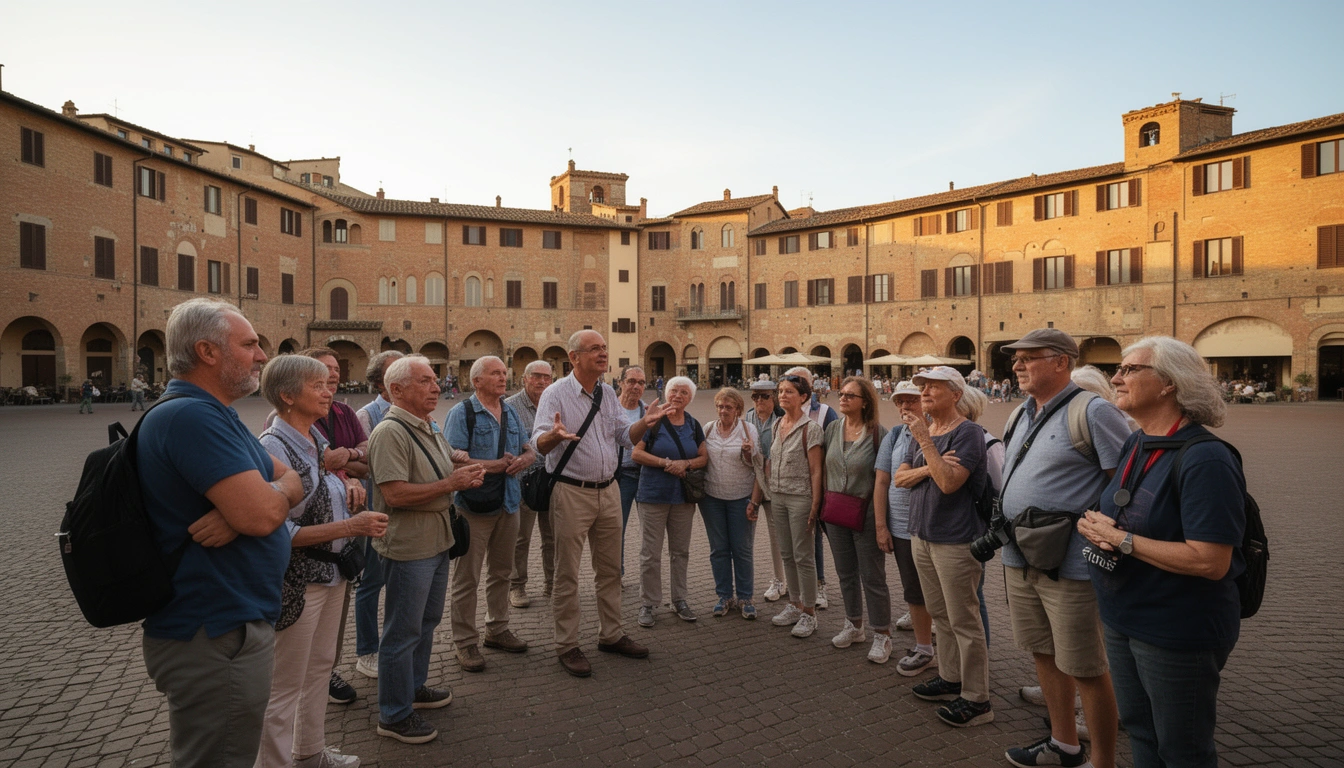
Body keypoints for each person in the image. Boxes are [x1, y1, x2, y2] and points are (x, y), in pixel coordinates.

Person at [137, 298, 305, 767]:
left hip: (227, 626)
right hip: (214, 632)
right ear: (208, 352)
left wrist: (251, 507)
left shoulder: (216, 414)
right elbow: (264, 515)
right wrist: (252, 509)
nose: (261, 356)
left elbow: (291, 478)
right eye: (249, 344)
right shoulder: (191, 417)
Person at [1078, 336, 1246, 768]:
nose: (1116, 377)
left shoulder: (1205, 458)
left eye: (1130, 369)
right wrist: (1100, 527)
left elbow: (1211, 560)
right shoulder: (1138, 443)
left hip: (1176, 630)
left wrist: (1121, 540)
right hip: (1123, 618)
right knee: (1141, 730)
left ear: (1169, 383)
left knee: (1182, 748)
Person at [997, 330, 1130, 768]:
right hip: (1019, 556)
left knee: (1086, 666)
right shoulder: (1020, 412)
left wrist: (1104, 532)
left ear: (1061, 362)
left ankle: (1103, 761)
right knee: (1043, 652)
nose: (1017, 366)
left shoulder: (1093, 411)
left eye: (1028, 358)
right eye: (1015, 359)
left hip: (1070, 565)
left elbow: (1125, 483)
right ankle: (1065, 744)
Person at [254, 354, 388, 768]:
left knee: (318, 669)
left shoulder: (313, 438)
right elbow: (278, 530)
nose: (329, 390)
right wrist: (350, 528)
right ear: (287, 395)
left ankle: (310, 753)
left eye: (328, 384)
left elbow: (323, 488)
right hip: (298, 580)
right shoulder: (272, 447)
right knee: (283, 685)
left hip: (331, 575)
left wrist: (347, 488)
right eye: (318, 385)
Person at [367, 355, 487, 744]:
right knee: (401, 631)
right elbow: (395, 493)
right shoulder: (390, 432)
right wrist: (451, 484)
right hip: (409, 545)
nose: (437, 387)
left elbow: (440, 469)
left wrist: (460, 475)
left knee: (425, 622)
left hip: (436, 540)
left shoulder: (427, 425)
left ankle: (413, 690)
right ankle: (394, 713)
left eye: (435, 380)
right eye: (425, 381)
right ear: (396, 390)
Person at [532, 330, 661, 677]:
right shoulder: (555, 393)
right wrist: (552, 436)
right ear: (574, 357)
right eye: (594, 349)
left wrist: (644, 425)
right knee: (567, 573)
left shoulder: (606, 393)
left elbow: (623, 435)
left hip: (609, 490)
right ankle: (567, 644)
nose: (603, 354)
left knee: (609, 571)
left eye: (604, 348)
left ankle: (612, 634)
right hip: (571, 491)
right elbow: (537, 444)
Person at [899, 366, 992, 728]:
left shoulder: (968, 433)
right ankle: (951, 678)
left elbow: (951, 483)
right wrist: (928, 467)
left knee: (964, 620)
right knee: (940, 615)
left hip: (955, 538)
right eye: (922, 386)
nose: (924, 392)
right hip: (922, 535)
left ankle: (977, 699)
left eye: (933, 386)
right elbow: (901, 479)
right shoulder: (924, 429)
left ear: (955, 394)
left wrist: (924, 444)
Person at [443, 356, 535, 673]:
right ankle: (465, 642)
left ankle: (497, 629)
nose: (502, 377)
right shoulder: (461, 413)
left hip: (509, 503)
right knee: (467, 578)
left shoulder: (509, 410)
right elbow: (453, 462)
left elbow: (529, 447)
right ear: (477, 380)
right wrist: (498, 466)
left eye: (503, 372)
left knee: (502, 572)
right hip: (473, 507)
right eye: (494, 373)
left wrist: (526, 458)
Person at [294, 348, 369, 705]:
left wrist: (347, 461)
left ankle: (326, 671)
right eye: (324, 373)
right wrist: (344, 472)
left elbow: (365, 454)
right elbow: (311, 468)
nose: (333, 378)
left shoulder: (344, 412)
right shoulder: (287, 429)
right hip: (309, 549)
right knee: (303, 632)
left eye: (336, 371)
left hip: (340, 542)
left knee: (333, 624)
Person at [822, 376, 892, 663]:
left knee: (873, 577)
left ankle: (882, 634)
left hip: (866, 514)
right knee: (845, 573)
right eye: (842, 393)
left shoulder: (879, 434)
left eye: (851, 395)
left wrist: (881, 524)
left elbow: (883, 480)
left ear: (865, 402)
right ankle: (854, 624)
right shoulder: (832, 429)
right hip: (836, 513)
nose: (844, 398)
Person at [632, 376, 707, 626]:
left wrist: (685, 463)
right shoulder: (654, 422)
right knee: (650, 553)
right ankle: (648, 603)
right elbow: (636, 453)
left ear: (690, 398)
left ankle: (680, 600)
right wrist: (666, 463)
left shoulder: (693, 425)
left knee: (680, 551)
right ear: (667, 393)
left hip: (683, 498)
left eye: (684, 392)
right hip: (652, 495)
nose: (678, 396)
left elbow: (704, 458)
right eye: (674, 390)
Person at [876, 381, 938, 676]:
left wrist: (913, 474)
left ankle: (942, 644)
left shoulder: (938, 430)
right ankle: (924, 646)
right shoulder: (897, 434)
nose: (904, 407)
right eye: (899, 402)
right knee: (913, 588)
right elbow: (884, 480)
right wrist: (880, 525)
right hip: (901, 524)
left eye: (910, 401)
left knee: (938, 588)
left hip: (932, 526)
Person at [351, 350, 405, 681]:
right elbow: (366, 465)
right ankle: (366, 651)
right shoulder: (367, 416)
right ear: (380, 381)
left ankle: (394, 644)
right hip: (377, 513)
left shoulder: (419, 413)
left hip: (405, 514)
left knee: (398, 583)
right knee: (371, 583)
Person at [759, 373, 824, 638]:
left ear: (804, 397)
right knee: (786, 553)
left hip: (800, 498)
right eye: (781, 391)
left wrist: (815, 504)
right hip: (779, 496)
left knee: (803, 556)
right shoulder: (777, 425)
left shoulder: (811, 428)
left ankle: (809, 612)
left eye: (789, 392)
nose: (783, 395)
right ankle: (794, 604)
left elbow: (816, 470)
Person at [700, 388, 760, 619]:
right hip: (711, 497)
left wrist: (747, 453)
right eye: (720, 406)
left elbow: (756, 466)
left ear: (738, 410)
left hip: (741, 497)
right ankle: (724, 596)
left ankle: (745, 597)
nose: (723, 411)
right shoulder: (708, 429)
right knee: (719, 549)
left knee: (742, 549)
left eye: (729, 407)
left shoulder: (748, 429)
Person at [784, 366, 837, 610]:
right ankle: (799, 591)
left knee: (815, 540)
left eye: (800, 382)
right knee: (797, 543)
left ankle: (820, 586)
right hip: (792, 490)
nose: (794, 386)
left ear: (809, 388)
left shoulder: (825, 412)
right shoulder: (782, 414)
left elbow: (835, 445)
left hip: (820, 487)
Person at [508, 360, 556, 608]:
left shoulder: (555, 402)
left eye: (547, 377)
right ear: (524, 378)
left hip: (551, 480)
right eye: (536, 376)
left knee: (553, 537)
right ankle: (517, 587)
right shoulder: (510, 407)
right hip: (523, 481)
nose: (542, 381)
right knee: (520, 538)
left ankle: (552, 584)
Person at [745, 380, 789, 602]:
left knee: (777, 536)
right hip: (750, 483)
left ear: (773, 398)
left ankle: (780, 580)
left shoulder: (781, 421)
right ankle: (745, 585)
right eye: (755, 397)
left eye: (764, 396)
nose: (759, 401)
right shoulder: (747, 419)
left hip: (773, 486)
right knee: (746, 536)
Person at [614, 365, 649, 577]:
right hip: (621, 475)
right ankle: (616, 574)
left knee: (650, 531)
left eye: (641, 382)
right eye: (631, 381)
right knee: (617, 529)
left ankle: (648, 580)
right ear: (620, 383)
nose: (636, 386)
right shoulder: (609, 409)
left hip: (647, 475)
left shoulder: (648, 412)